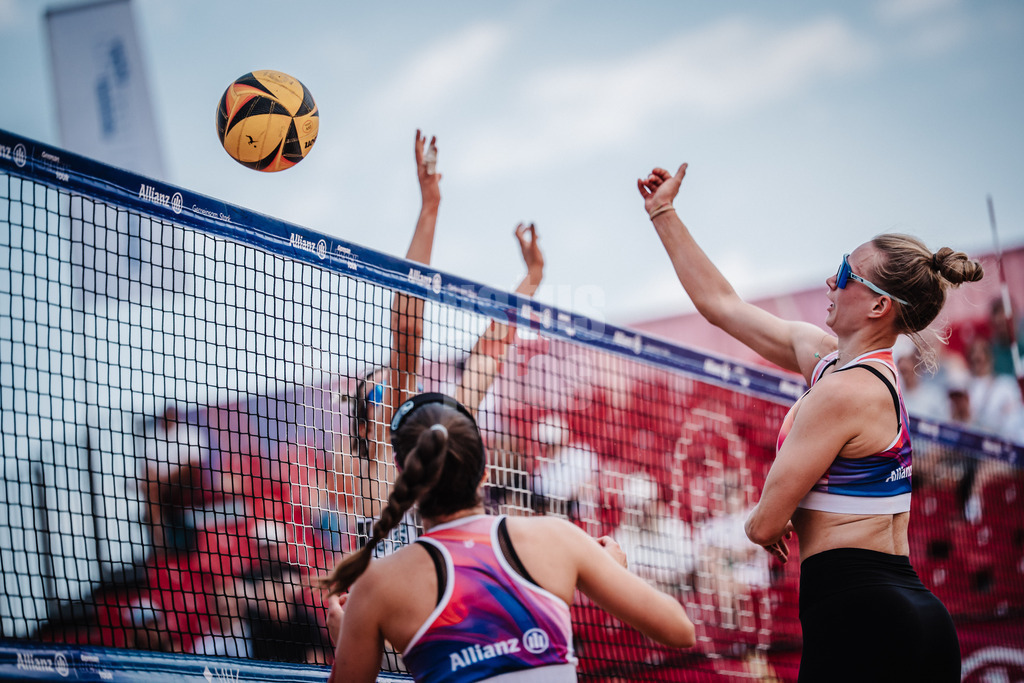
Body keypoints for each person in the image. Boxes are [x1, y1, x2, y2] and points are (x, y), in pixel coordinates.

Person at [638, 162, 983, 682]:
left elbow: (763, 523)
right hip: (899, 609)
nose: (830, 278)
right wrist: (663, 212)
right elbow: (721, 305)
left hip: (862, 615)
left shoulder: (844, 390)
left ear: (879, 306)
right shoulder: (836, 365)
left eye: (845, 274)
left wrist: (767, 523)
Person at [320, 393, 695, 683]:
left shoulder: (376, 585)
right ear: (484, 472)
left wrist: (348, 638)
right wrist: (607, 570)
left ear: (407, 479)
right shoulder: (556, 537)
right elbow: (680, 630)